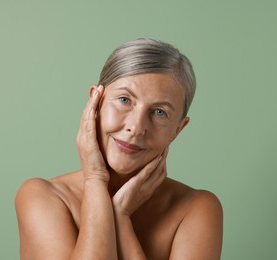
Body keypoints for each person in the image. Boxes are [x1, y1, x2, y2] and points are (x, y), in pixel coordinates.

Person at [15, 38, 223, 260]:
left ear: (177, 130)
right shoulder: (42, 197)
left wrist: (120, 218)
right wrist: (95, 180)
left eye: (160, 112)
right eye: (124, 100)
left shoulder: (196, 209)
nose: (136, 127)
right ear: (95, 103)